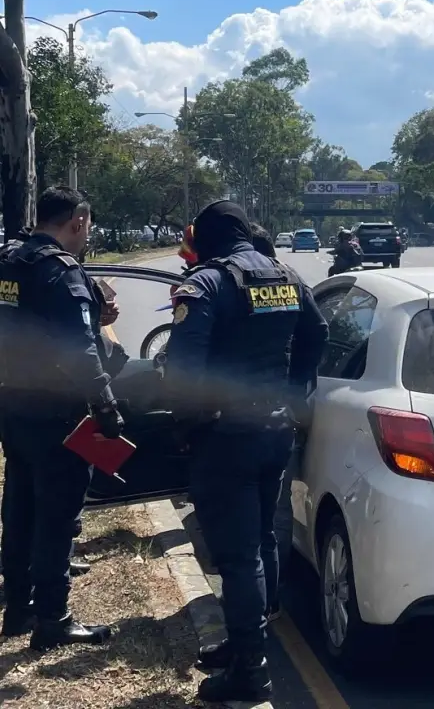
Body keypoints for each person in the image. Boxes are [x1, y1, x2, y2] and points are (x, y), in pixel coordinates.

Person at [165, 200, 327, 703]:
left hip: (226, 435)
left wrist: (186, 426)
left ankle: (250, 673)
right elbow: (317, 334)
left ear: (207, 238)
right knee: (259, 540)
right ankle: (244, 646)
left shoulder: (209, 283)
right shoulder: (286, 276)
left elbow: (184, 367)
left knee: (237, 559)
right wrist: (295, 391)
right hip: (273, 430)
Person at [0, 187, 122, 649]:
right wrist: (105, 404)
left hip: (13, 403)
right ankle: (53, 618)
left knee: (20, 506)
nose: (87, 234)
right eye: (87, 226)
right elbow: (80, 349)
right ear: (78, 220)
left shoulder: (10, 261)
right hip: (57, 412)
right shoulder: (60, 270)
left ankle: (17, 610)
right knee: (56, 516)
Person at [246, 222, 295, 618]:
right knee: (271, 522)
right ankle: (270, 603)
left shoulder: (227, 284)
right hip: (282, 417)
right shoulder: (292, 285)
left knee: (251, 532)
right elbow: (319, 331)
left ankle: (253, 614)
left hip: (242, 425)